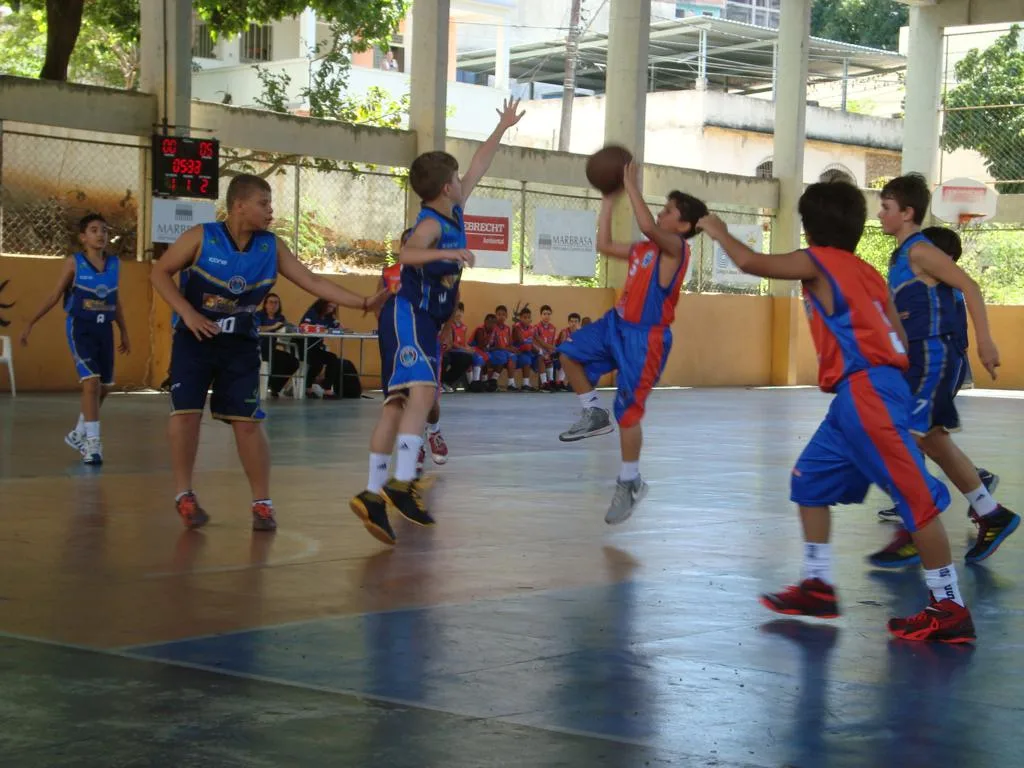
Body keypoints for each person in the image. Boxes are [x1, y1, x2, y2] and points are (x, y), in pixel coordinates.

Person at [699, 179, 975, 643]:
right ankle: (818, 584)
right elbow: (900, 339)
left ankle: (948, 607)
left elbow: (749, 261)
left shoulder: (817, 261)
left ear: (809, 228)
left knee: (916, 502)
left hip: (867, 394)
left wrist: (717, 228)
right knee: (809, 480)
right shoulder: (868, 272)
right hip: (862, 394)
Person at [151, 173, 383, 532]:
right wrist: (187, 312)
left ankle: (262, 502)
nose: (270, 210)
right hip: (194, 340)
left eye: (271, 203)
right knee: (186, 415)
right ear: (239, 205)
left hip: (240, 343)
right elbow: (160, 273)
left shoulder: (270, 247)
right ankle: (184, 493)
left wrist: (366, 302)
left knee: (248, 423)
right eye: (264, 203)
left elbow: (314, 282)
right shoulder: (201, 237)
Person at [349, 98, 524, 546]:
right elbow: (405, 255)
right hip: (406, 313)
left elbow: (480, 164)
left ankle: (372, 493)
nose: (465, 181)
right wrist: (449, 252)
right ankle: (402, 483)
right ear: (448, 186)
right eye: (458, 177)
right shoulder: (429, 224)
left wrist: (502, 127)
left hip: (425, 318)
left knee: (397, 403)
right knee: (423, 395)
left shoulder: (454, 209)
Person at [868, 174, 1017, 568]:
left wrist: (985, 341)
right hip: (918, 357)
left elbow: (970, 287)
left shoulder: (920, 250)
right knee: (931, 438)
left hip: (935, 355)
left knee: (904, 437)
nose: (880, 214)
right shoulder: (900, 256)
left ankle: (918, 527)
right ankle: (990, 511)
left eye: (886, 208)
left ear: (907, 212)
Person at [556, 162, 706, 524]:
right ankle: (593, 411)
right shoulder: (644, 249)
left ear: (683, 226)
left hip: (646, 338)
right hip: (615, 325)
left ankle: (630, 480)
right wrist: (608, 200)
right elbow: (603, 244)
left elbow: (647, 225)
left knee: (629, 414)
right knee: (568, 352)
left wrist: (630, 184)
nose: (661, 212)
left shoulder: (676, 250)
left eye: (669, 210)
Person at [874, 225, 997, 524]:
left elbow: (945, 327)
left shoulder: (945, 289)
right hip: (930, 363)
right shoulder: (929, 287)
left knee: (913, 434)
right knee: (927, 435)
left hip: (942, 363)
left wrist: (984, 343)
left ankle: (923, 503)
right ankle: (976, 491)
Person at [20, 213, 130, 465]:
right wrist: (31, 322)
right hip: (80, 329)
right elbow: (54, 295)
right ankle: (93, 444)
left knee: (104, 388)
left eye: (104, 229)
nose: (100, 234)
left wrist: (123, 330)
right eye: (94, 230)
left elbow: (116, 300)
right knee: (90, 383)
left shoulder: (114, 264)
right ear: (83, 237)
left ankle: (78, 432)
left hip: (105, 330)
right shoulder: (75, 263)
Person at [254, 293, 300, 398]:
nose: (273, 305)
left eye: (276, 302)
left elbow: (284, 331)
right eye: (271, 302)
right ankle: (264, 385)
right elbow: (257, 329)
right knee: (270, 361)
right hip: (259, 348)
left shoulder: (280, 317)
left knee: (293, 362)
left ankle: (275, 387)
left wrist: (291, 328)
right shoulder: (258, 315)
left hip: (272, 348)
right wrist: (273, 326)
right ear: (265, 304)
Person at [300, 299, 343, 398]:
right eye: (329, 307)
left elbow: (340, 329)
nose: (331, 310)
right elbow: (303, 326)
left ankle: (326, 389)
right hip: (305, 346)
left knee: (332, 359)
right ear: (322, 305)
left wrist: (336, 321)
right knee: (318, 362)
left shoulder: (329, 317)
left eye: (333, 308)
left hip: (316, 347)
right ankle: (313, 389)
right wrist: (321, 329)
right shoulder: (312, 313)